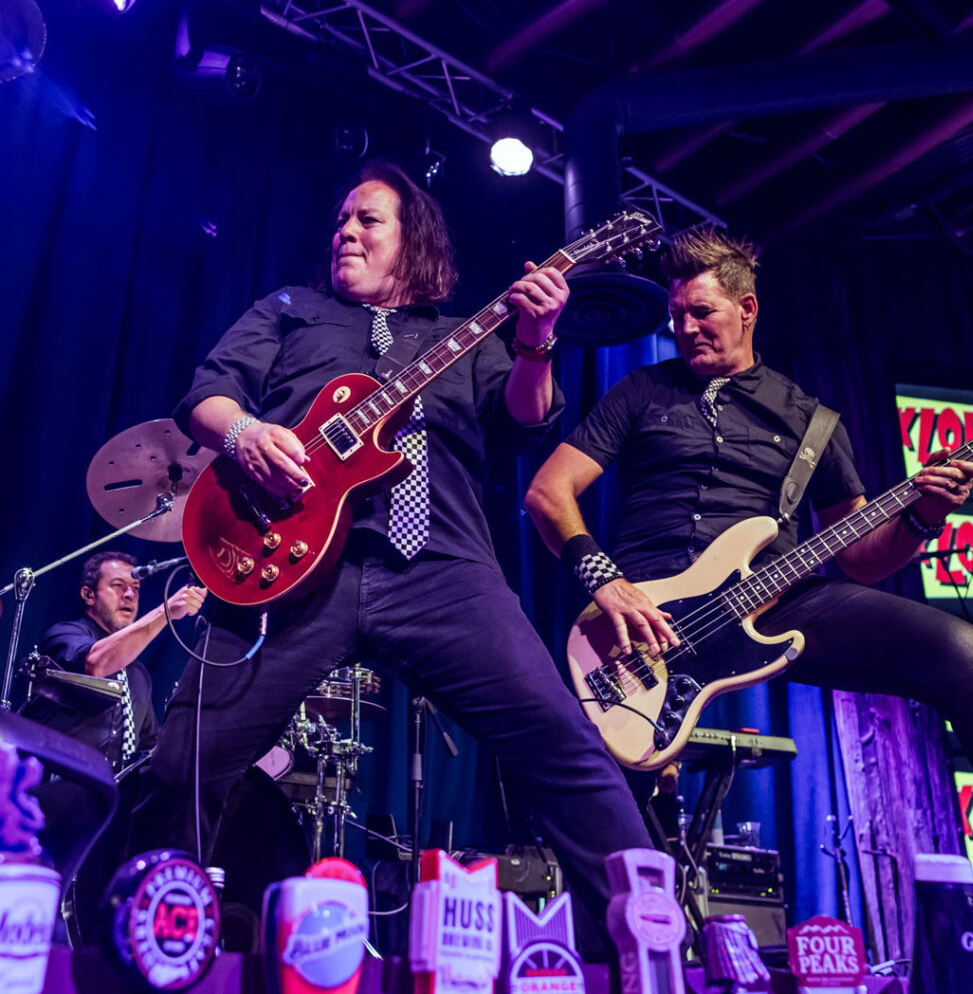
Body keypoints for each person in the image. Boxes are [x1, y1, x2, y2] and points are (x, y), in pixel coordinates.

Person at [129, 161, 652, 927]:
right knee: (184, 763)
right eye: (340, 220)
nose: (345, 231)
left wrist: (537, 342)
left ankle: (648, 937)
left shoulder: (461, 337)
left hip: (444, 570)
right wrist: (245, 433)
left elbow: (525, 421)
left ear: (415, 244)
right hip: (291, 565)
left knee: (564, 745)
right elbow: (206, 395)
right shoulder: (290, 309)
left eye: (367, 220)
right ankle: (153, 936)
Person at [524, 226, 973, 831]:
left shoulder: (811, 421)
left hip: (775, 602)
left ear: (747, 309)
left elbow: (861, 557)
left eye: (701, 312)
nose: (684, 328)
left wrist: (922, 514)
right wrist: (606, 582)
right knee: (603, 825)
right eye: (676, 314)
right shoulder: (641, 391)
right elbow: (548, 493)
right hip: (641, 620)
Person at [27, 550, 206, 771]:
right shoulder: (65, 633)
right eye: (118, 585)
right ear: (88, 595)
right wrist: (166, 611)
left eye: (136, 588)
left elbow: (150, 745)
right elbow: (96, 664)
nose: (129, 594)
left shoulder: (139, 674)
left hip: (111, 798)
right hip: (52, 783)